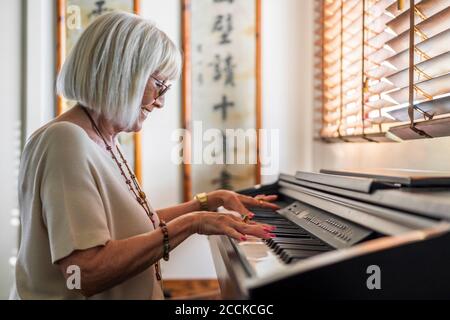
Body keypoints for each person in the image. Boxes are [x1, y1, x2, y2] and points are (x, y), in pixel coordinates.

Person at [11, 12, 278, 300]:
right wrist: (192, 223)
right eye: (159, 85)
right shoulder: (65, 141)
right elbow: (83, 274)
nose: (161, 102)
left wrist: (208, 202)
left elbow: (127, 230)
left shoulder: (101, 139)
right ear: (123, 74)